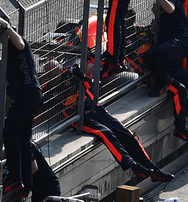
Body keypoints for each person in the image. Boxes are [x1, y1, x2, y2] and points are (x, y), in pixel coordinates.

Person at [45, 62, 175, 183]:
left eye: (57, 73)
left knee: (126, 133)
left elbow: (90, 85)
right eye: (52, 75)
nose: (55, 77)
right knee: (105, 133)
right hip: (80, 118)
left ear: (61, 69)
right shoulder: (48, 89)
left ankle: (154, 170)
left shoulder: (70, 74)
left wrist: (81, 76)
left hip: (95, 109)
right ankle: (134, 166)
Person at [143, 0, 188, 142]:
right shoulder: (165, 16)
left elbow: (170, 7)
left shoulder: (172, 3)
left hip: (177, 48)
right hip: (166, 62)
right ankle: (181, 127)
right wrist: (157, 27)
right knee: (180, 90)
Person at [0, 17, 42, 197]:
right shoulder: (7, 56)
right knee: (23, 138)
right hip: (30, 95)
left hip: (27, 94)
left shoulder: (18, 44)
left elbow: (20, 44)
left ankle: (15, 177)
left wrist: (7, 26)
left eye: (1, 37)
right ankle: (25, 185)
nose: (0, 42)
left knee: (9, 133)